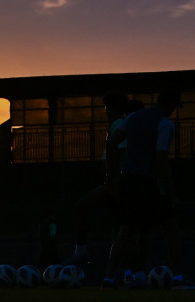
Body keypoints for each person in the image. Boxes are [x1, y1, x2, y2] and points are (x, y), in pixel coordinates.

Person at [103, 88, 195, 289]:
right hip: (151, 182)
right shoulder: (165, 124)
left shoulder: (134, 118)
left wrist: (111, 176)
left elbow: (111, 143)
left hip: (128, 180)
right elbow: (161, 160)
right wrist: (172, 194)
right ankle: (178, 278)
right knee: (170, 229)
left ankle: (108, 279)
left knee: (125, 231)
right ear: (170, 104)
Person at [65, 91, 130, 265]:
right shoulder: (118, 125)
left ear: (111, 108)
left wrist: (112, 179)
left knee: (82, 206)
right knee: (119, 227)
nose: (105, 111)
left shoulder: (120, 125)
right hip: (114, 181)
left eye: (106, 107)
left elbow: (121, 152)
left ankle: (81, 252)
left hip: (114, 182)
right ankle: (126, 271)